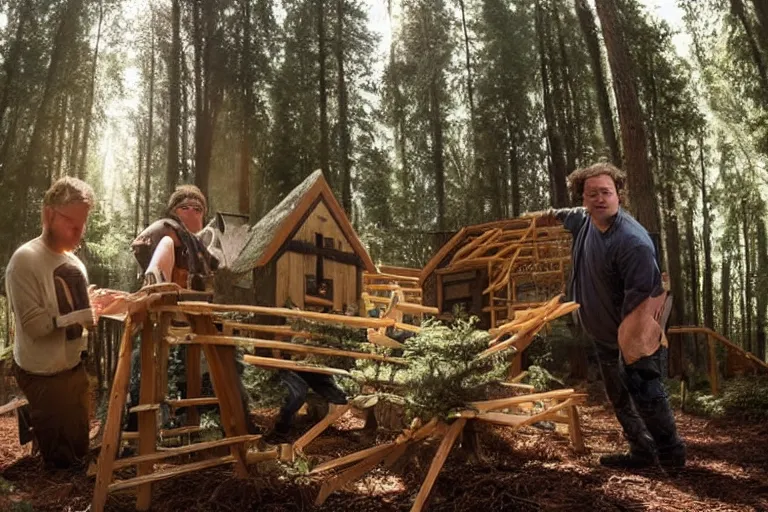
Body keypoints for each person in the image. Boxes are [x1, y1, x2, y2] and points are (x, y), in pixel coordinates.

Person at [537, 162, 685, 469]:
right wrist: (545, 215)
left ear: (619, 196)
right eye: (592, 194)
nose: (600, 199)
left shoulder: (632, 243)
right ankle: (641, 452)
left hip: (635, 332)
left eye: (607, 192)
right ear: (584, 199)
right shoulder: (584, 220)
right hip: (603, 334)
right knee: (618, 396)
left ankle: (671, 455)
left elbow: (644, 300)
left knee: (645, 390)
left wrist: (631, 346)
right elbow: (567, 215)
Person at [127, 185, 260, 435]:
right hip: (164, 315)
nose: (192, 213)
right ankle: (136, 435)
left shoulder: (200, 246)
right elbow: (150, 247)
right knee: (142, 368)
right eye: (185, 207)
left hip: (196, 318)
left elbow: (221, 269)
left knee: (228, 361)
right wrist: (156, 286)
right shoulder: (169, 231)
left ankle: (240, 426)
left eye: (198, 209)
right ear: (175, 211)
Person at [5, 177, 108, 470]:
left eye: (83, 224)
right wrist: (80, 315)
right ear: (49, 214)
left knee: (79, 447)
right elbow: (35, 327)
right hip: (42, 374)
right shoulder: (25, 260)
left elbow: (80, 318)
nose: (79, 232)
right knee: (61, 463)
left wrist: (97, 305)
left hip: (74, 369)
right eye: (72, 223)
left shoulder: (75, 264)